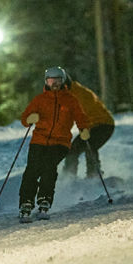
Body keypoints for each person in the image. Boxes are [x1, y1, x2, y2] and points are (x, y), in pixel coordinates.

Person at [18, 66, 90, 221]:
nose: (55, 84)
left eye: (58, 80)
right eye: (51, 81)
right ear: (46, 82)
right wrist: (30, 119)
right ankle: (26, 201)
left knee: (48, 167)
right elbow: (25, 118)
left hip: (60, 142)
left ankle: (44, 199)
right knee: (32, 170)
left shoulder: (70, 100)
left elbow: (80, 117)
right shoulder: (40, 100)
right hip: (39, 141)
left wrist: (84, 129)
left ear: (63, 81)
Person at [62, 73, 115, 178]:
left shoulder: (79, 94)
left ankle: (94, 175)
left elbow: (85, 110)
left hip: (104, 125)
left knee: (90, 146)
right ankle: (68, 178)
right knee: (72, 150)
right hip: (92, 127)